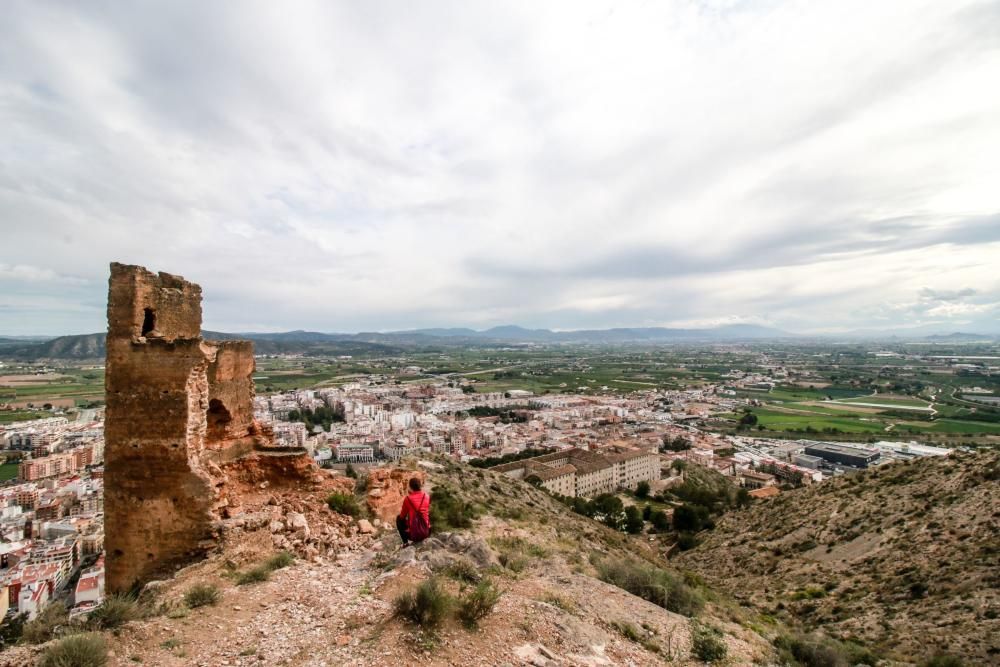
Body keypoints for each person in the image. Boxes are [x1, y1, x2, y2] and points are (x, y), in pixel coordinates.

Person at [397, 477, 431, 547]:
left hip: (414, 535)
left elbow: (402, 516)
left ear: (410, 487)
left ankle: (405, 543)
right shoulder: (427, 496)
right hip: (427, 532)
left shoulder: (408, 499)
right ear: (420, 486)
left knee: (398, 519)